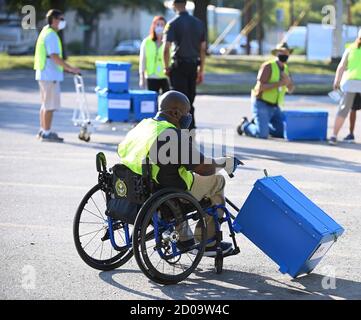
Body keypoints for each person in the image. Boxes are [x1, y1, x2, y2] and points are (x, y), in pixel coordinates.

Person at [117, 90, 241, 256]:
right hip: (166, 193)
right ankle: (209, 241)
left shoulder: (143, 126)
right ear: (175, 113)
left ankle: (184, 237)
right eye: (187, 112)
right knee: (217, 180)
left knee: (171, 180)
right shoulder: (171, 135)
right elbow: (204, 167)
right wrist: (225, 162)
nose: (188, 116)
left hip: (138, 189)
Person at [34, 9, 80, 142]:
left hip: (44, 73)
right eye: (61, 19)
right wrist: (71, 69)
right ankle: (47, 133)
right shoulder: (52, 35)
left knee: (45, 104)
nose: (63, 22)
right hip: (50, 76)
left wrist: (65, 69)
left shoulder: (45, 32)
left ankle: (43, 130)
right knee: (50, 106)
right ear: (54, 20)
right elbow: (54, 57)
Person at [163, 0, 207, 130]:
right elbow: (203, 49)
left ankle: (177, 127)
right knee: (190, 99)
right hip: (193, 65)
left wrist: (166, 67)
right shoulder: (199, 23)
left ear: (175, 5)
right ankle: (190, 126)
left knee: (177, 100)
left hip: (179, 66)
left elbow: (166, 48)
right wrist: (201, 70)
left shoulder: (172, 24)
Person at [238, 42, 295, 139]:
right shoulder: (268, 66)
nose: (284, 55)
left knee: (285, 132)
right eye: (281, 52)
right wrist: (280, 83)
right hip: (262, 104)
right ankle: (245, 125)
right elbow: (260, 87)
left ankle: (261, 123)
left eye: (286, 53)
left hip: (275, 107)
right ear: (276, 54)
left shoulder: (285, 69)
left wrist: (288, 82)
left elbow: (291, 89)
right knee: (262, 134)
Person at [330, 29, 361, 145]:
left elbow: (341, 66)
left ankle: (334, 136)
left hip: (350, 83)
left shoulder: (350, 48)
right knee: (350, 109)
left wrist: (336, 81)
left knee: (343, 110)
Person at [139, 16, 170, 94]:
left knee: (166, 101)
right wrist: (142, 78)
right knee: (152, 102)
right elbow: (142, 60)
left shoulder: (169, 42)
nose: (159, 27)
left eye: (162, 25)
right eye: (157, 24)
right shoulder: (147, 42)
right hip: (151, 76)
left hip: (165, 76)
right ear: (153, 26)